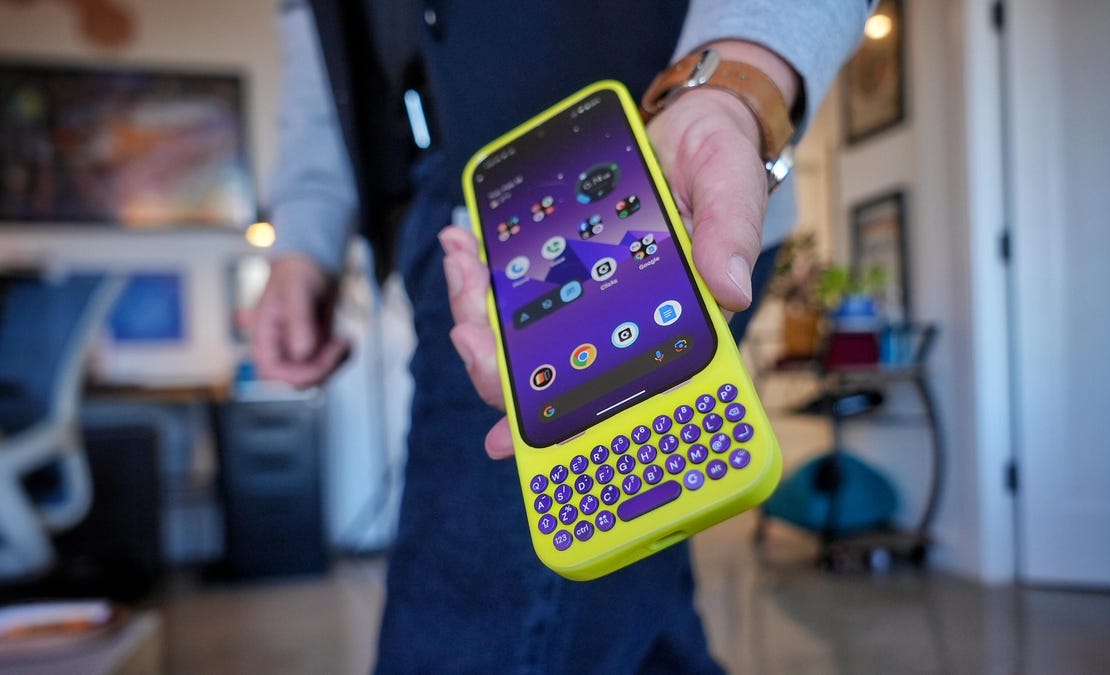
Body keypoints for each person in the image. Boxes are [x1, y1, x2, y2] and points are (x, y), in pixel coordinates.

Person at [252, 2, 872, 672]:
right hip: (448, 202)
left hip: (660, 174)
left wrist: (735, 81)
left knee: (473, 627)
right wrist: (302, 242)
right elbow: (316, 33)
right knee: (633, 608)